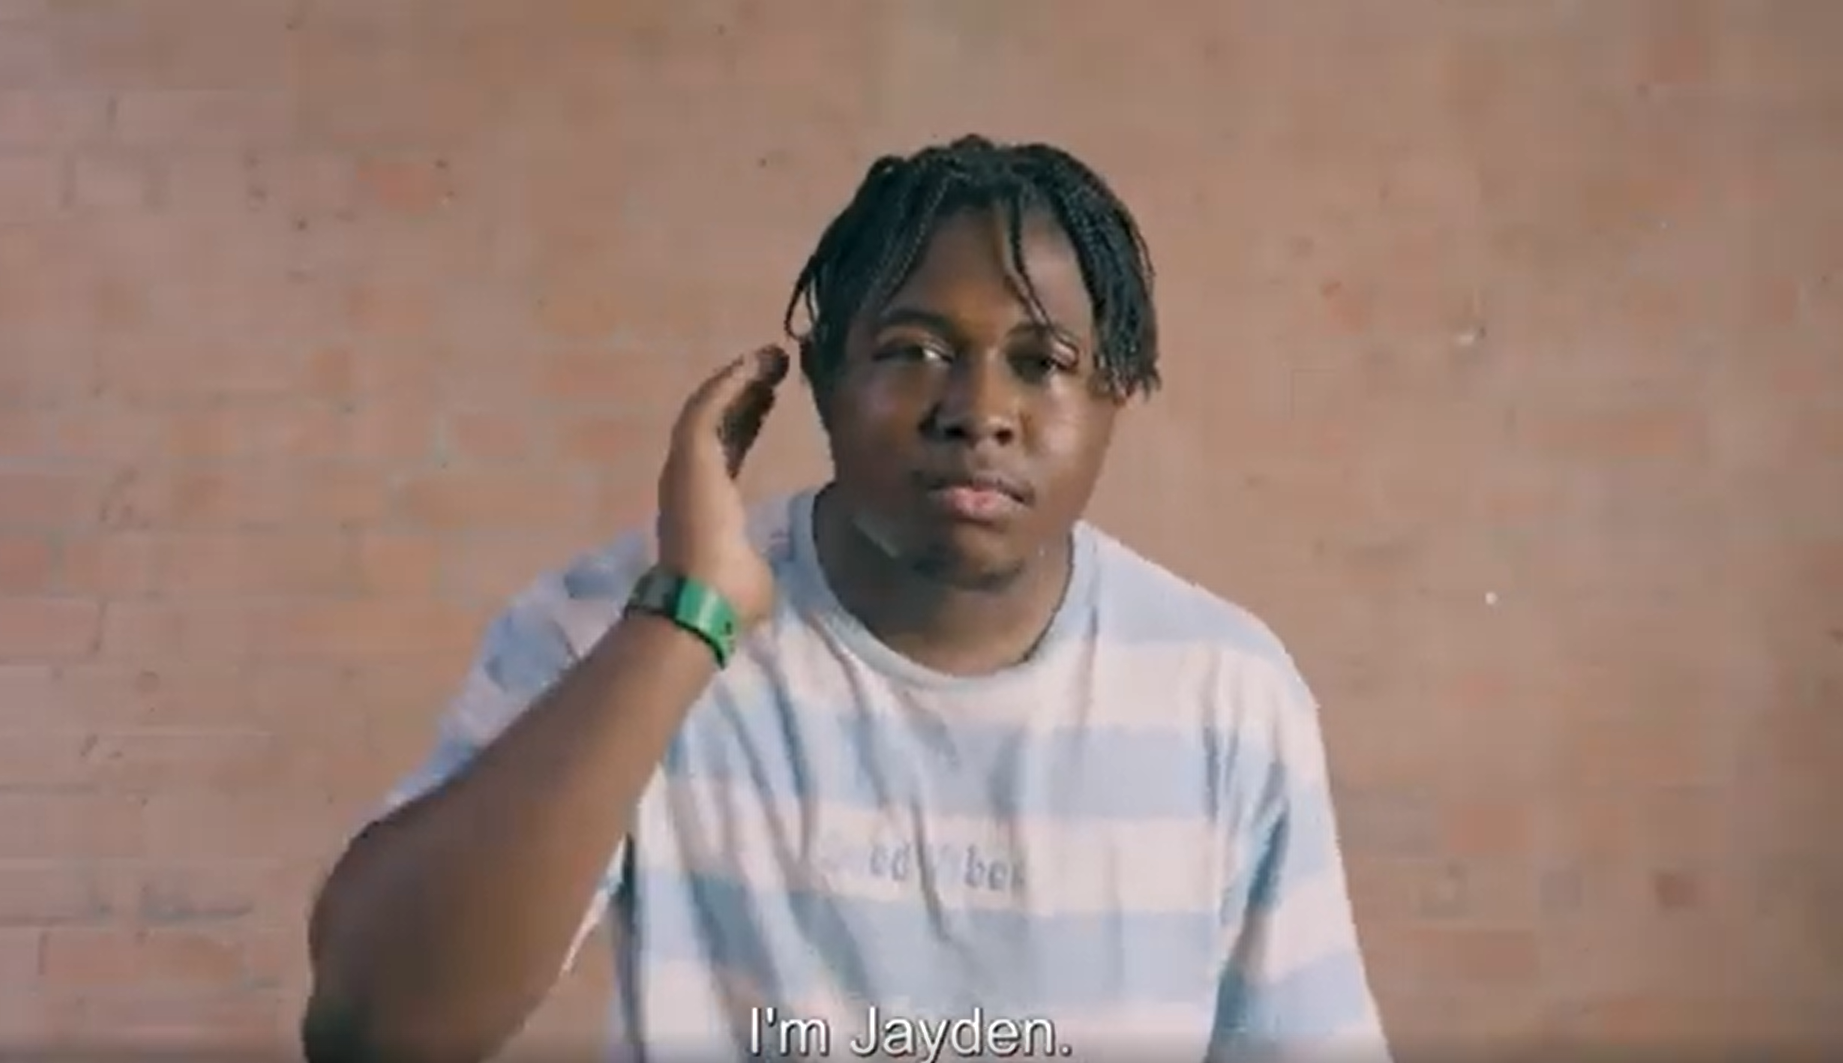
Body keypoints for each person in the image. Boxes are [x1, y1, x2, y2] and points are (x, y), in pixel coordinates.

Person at [301, 134, 1389, 1063]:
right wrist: (687, 619)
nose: (978, 411)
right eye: (913, 349)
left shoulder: (1226, 692)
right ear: (818, 377)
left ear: (1118, 392)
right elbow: (375, 1027)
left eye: (1042, 360)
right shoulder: (623, 626)